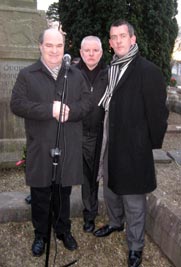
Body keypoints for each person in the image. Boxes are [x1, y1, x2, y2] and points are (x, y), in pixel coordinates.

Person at [93, 19, 169, 267]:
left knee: (134, 199)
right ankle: (115, 223)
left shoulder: (148, 71)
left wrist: (147, 144)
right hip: (110, 139)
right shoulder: (110, 69)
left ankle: (135, 246)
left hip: (134, 146)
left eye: (122, 36)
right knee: (110, 188)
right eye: (113, 37)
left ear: (132, 39)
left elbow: (159, 115)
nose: (117, 41)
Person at [10, 28, 92, 257]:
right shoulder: (28, 74)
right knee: (40, 192)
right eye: (49, 45)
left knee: (63, 192)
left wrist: (71, 111)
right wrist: (49, 109)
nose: (55, 50)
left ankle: (62, 230)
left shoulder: (75, 75)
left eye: (59, 46)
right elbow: (17, 104)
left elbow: (87, 103)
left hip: (68, 145)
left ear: (64, 48)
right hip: (40, 145)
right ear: (40, 46)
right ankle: (41, 234)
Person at [75, 36, 108, 232]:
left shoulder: (108, 75)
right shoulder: (70, 73)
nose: (91, 54)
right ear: (81, 52)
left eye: (95, 50)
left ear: (101, 52)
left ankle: (89, 214)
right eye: (87, 50)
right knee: (63, 173)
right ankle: (57, 214)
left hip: (95, 134)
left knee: (90, 176)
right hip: (73, 131)